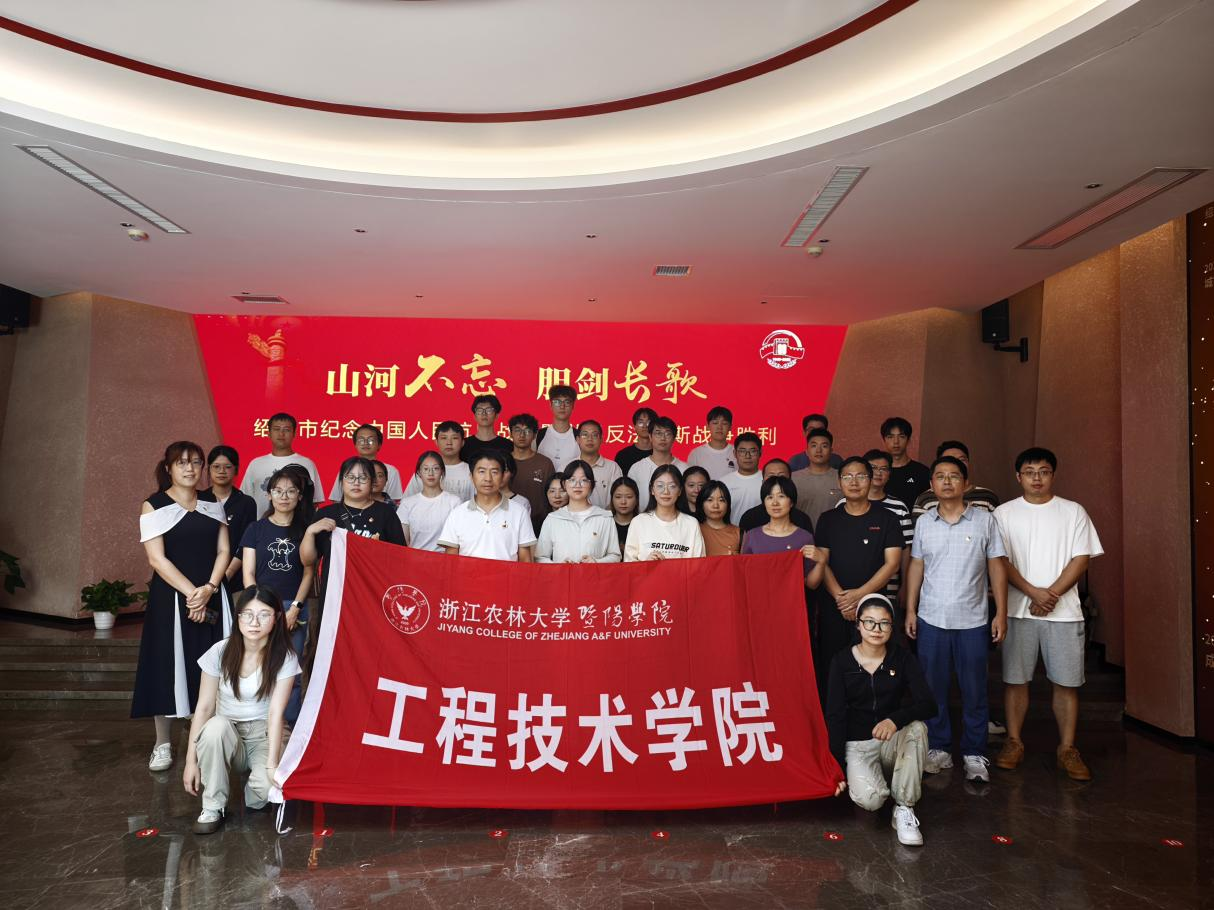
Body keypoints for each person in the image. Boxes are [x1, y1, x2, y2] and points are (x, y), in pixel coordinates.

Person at [993, 447, 1103, 781]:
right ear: (1018, 477)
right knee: (1015, 681)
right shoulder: (1003, 513)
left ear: (1053, 475)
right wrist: (1033, 592)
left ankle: (1067, 748)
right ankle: (1014, 742)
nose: (1037, 478)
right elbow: (999, 561)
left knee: (1066, 683)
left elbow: (1081, 559)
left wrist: (1050, 594)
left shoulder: (1073, 511)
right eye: (1030, 472)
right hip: (1019, 610)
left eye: (1043, 471)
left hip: (1064, 613)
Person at [904, 456, 1007, 783]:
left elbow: (996, 566)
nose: (947, 482)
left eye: (953, 476)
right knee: (933, 688)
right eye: (940, 476)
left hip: (973, 620)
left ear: (966, 483)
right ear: (931, 484)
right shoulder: (924, 522)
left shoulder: (984, 521)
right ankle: (939, 746)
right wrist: (910, 609)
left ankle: (975, 752)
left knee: (974, 689)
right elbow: (916, 565)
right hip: (931, 617)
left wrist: (1001, 612)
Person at [133, 441, 232, 772]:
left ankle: (208, 739)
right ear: (168, 468)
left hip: (212, 593)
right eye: (182, 463)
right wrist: (193, 594)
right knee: (166, 666)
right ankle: (162, 743)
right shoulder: (154, 505)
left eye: (196, 462)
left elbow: (224, 550)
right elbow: (156, 559)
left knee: (213, 666)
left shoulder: (211, 502)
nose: (190, 469)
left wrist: (209, 588)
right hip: (172, 599)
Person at [182, 584, 300, 834]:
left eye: (264, 614)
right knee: (214, 727)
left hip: (265, 734)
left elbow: (275, 714)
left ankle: (253, 789)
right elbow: (203, 708)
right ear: (238, 617)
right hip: (228, 732)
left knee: (267, 787)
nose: (254, 622)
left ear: (277, 618)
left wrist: (271, 767)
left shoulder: (284, 657)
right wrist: (191, 762)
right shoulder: (220, 652)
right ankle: (213, 806)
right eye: (247, 614)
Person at [826, 594, 936, 847]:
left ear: (891, 626)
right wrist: (836, 768)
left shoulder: (903, 658)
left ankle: (904, 808)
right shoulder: (841, 661)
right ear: (858, 625)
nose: (876, 629)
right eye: (869, 622)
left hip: (891, 743)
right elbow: (835, 715)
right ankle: (886, 779)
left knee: (917, 728)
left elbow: (929, 705)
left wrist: (894, 720)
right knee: (872, 800)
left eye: (884, 623)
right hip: (858, 746)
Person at [301, 456, 407, 670]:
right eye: (350, 477)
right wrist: (310, 531)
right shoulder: (327, 514)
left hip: (373, 598)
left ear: (373, 482)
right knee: (333, 654)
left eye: (363, 477)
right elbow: (307, 560)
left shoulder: (385, 513)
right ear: (341, 481)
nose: (356, 482)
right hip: (335, 598)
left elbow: (400, 559)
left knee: (370, 653)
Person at [813, 456, 904, 694]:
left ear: (871, 480)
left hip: (873, 609)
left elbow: (892, 564)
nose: (854, 482)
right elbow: (822, 562)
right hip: (834, 607)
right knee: (832, 667)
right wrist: (842, 599)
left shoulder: (887, 519)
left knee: (871, 668)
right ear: (839, 482)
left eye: (861, 476)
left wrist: (859, 597)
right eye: (848, 477)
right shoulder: (828, 519)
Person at [240, 466, 314, 727]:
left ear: (299, 496)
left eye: (291, 491)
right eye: (278, 491)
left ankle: (289, 725)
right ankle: (260, 723)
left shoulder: (305, 530)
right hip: (260, 607)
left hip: (294, 607)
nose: (284, 496)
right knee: (259, 665)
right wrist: (260, 607)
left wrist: (295, 608)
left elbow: (308, 572)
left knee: (291, 670)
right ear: (269, 495)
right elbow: (248, 572)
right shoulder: (255, 529)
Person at [838, 449, 912, 605]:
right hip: (845, 591)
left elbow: (905, 550)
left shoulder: (899, 508)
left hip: (888, 588)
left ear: (889, 474)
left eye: (883, 469)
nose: (878, 473)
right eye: (873, 468)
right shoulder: (842, 505)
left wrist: (905, 585)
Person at [438, 451, 537, 560]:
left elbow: (525, 559)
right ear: (471, 476)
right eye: (481, 471)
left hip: (506, 572)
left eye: (494, 472)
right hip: (468, 572)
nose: (488, 478)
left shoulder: (519, 512)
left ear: (502, 476)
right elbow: (451, 561)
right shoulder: (457, 514)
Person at [536, 460, 622, 563]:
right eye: (572, 480)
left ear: (591, 485)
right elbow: (540, 557)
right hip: (562, 574)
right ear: (564, 484)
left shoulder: (604, 517)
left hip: (594, 574)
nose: (577, 485)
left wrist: (596, 562)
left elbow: (615, 556)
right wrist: (559, 567)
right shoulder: (553, 519)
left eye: (584, 480)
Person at [740, 476, 823, 583]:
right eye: (770, 497)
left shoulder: (804, 537)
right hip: (759, 593)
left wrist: (821, 561)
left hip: (792, 594)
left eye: (781, 496)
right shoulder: (752, 536)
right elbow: (744, 574)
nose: (775, 503)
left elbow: (811, 584)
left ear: (791, 502)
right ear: (764, 503)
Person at [199, 445, 257, 597]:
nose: (221, 471)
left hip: (235, 580)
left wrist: (226, 575)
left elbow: (246, 544)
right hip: (201, 578)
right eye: (216, 466)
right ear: (208, 470)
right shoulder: (198, 500)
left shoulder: (246, 502)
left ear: (236, 470)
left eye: (227, 467)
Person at [239, 413, 325, 516]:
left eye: (287, 430)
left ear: (294, 433)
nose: (281, 434)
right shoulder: (255, 464)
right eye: (276, 429)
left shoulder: (306, 464)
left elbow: (314, 501)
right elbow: (244, 498)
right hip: (261, 523)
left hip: (297, 524)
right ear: (269, 433)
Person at [624, 465, 706, 561]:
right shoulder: (639, 522)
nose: (666, 491)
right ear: (652, 490)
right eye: (660, 486)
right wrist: (646, 564)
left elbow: (699, 565)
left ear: (680, 491)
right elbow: (628, 565)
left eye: (672, 486)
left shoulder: (691, 524)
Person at [912, 441, 1001, 518]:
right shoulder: (925, 499)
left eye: (962, 460)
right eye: (949, 460)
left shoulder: (987, 496)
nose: (956, 464)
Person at [397, 450, 463, 552]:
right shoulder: (407, 504)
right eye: (426, 469)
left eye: (435, 468)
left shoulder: (454, 502)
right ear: (419, 473)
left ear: (442, 471)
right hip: (415, 559)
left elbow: (459, 539)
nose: (430, 473)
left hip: (444, 559)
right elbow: (402, 542)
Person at [327, 424, 404, 503]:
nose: (365, 443)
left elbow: (393, 501)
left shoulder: (391, 471)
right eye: (361, 440)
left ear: (379, 445)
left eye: (371, 440)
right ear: (355, 444)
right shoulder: (347, 469)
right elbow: (337, 500)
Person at [737, 459, 814, 536]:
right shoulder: (749, 518)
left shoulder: (802, 520)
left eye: (782, 476)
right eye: (771, 477)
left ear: (790, 481)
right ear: (763, 482)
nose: (776, 480)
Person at [628, 416, 689, 511]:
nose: (663, 438)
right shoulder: (637, 468)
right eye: (658, 433)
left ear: (674, 438)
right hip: (643, 518)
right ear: (650, 437)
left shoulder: (685, 469)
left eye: (667, 434)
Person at [507, 413, 556, 528]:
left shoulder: (545, 463)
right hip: (507, 522)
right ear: (510, 434)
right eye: (517, 430)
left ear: (534, 435)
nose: (522, 435)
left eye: (527, 431)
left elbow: (552, 494)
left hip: (539, 524)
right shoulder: (502, 462)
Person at [403, 421, 473, 501]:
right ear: (436, 442)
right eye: (444, 438)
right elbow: (406, 502)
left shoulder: (471, 471)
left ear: (462, 442)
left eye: (454, 438)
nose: (449, 443)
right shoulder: (424, 470)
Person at [791, 428, 842, 525]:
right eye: (814, 446)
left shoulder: (842, 478)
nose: (819, 450)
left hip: (834, 532)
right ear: (807, 451)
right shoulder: (793, 479)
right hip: (802, 532)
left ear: (831, 451)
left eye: (824, 446)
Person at [881, 417, 930, 507]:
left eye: (901, 436)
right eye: (890, 437)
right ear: (884, 440)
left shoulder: (922, 472)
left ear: (909, 440)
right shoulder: (877, 473)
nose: (896, 442)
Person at [575, 419, 623, 509]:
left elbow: (619, 497)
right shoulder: (567, 466)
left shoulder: (613, 468)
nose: (590, 439)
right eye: (585, 435)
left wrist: (603, 515)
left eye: (594, 435)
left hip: (606, 517)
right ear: (578, 439)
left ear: (601, 439)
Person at [536, 384, 580, 472]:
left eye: (567, 402)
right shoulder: (538, 435)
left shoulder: (579, 436)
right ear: (550, 405)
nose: (562, 406)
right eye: (557, 402)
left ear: (573, 406)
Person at [719, 432, 764, 519]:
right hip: (732, 528)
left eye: (753, 451)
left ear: (760, 453)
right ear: (735, 453)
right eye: (742, 451)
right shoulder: (724, 483)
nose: (747, 456)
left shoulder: (767, 480)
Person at [686, 405, 737, 479]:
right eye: (715, 423)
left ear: (730, 427)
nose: (719, 427)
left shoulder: (737, 453)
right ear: (707, 426)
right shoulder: (696, 454)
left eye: (724, 423)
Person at [462, 394, 513, 467]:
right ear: (474, 416)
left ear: (496, 416)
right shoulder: (464, 445)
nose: (484, 414)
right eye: (479, 410)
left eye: (489, 410)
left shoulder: (508, 445)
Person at [696, 480, 740, 556]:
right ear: (701, 504)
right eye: (710, 500)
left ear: (728, 504)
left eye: (721, 500)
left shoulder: (739, 533)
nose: (716, 505)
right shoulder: (695, 530)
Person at [614, 406, 659, 477]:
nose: (644, 426)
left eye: (649, 422)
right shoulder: (623, 455)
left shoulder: (661, 454)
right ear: (634, 426)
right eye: (640, 422)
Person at [610, 476, 640, 554]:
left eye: (629, 497)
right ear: (612, 499)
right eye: (618, 497)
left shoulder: (642, 524)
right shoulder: (606, 524)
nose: (623, 502)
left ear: (637, 499)